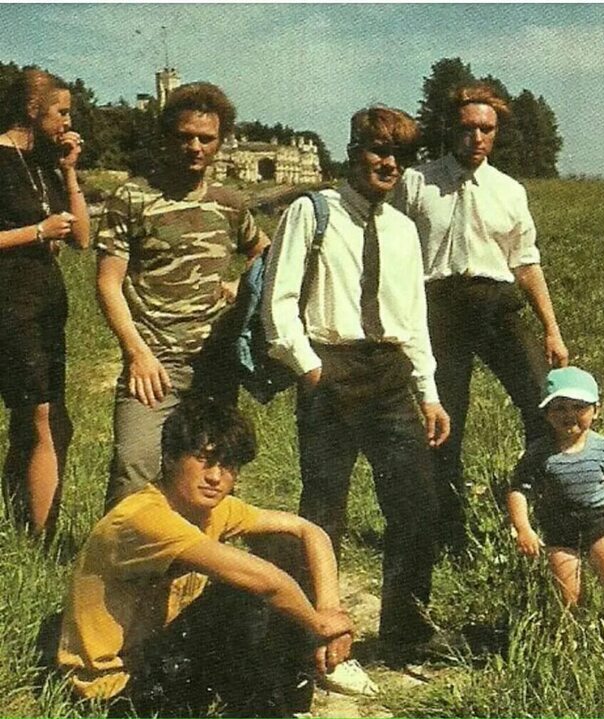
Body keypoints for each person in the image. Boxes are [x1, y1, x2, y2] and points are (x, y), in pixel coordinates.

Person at [261, 106, 450, 655]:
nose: (389, 164)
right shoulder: (312, 212)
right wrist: (308, 365)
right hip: (331, 369)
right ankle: (313, 634)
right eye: (379, 150)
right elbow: (279, 300)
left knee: (416, 504)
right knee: (325, 508)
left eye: (401, 156)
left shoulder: (404, 229)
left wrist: (429, 393)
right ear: (354, 151)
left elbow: (413, 318)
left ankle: (405, 631)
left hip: (389, 375)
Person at [57, 398, 353, 718]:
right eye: (203, 460)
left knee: (287, 546)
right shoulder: (144, 517)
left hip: (159, 660)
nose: (215, 477)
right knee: (244, 596)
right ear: (170, 458)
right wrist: (321, 626)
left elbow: (308, 530)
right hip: (112, 690)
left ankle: (291, 705)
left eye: (228, 466)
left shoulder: (212, 509)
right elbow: (267, 582)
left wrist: (330, 609)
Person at [391, 83, 568, 552]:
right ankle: (448, 534)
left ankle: (546, 514)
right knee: (444, 419)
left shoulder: (509, 191)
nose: (477, 138)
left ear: (496, 132)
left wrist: (551, 330)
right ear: (451, 129)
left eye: (487, 129)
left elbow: (526, 263)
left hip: (496, 306)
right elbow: (391, 248)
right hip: (437, 308)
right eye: (468, 128)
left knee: (545, 404)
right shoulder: (416, 182)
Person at [96, 81, 269, 510]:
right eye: (184, 136)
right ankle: (122, 554)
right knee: (134, 466)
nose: (194, 147)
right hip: (153, 362)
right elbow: (107, 282)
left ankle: (201, 553)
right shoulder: (133, 197)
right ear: (166, 137)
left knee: (210, 474)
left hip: (215, 363)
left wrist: (242, 285)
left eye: (206, 138)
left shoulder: (229, 203)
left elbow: (265, 252)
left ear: (220, 141)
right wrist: (136, 352)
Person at [0, 68, 89, 540]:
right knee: (42, 417)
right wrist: (36, 233)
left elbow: (82, 238)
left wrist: (70, 171)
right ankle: (40, 538)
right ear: (33, 109)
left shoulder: (43, 165)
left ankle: (23, 521)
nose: (68, 121)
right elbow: (44, 232)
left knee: (43, 417)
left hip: (46, 308)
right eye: (62, 111)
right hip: (11, 307)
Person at [507, 366, 604, 606]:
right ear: (546, 413)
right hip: (559, 526)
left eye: (579, 407)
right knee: (568, 599)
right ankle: (575, 624)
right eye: (559, 408)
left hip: (599, 521)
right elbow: (518, 490)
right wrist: (523, 528)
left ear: (596, 410)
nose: (569, 414)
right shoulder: (538, 453)